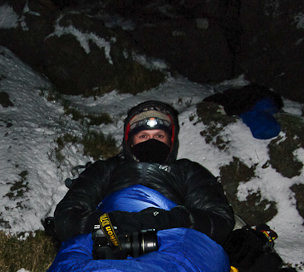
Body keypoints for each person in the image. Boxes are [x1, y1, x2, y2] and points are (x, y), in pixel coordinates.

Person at [54, 100, 235, 248]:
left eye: (159, 136)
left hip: (171, 244)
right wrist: (114, 222)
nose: (151, 141)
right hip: (109, 242)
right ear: (130, 141)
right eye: (143, 136)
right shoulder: (105, 169)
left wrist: (170, 220)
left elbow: (220, 219)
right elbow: (66, 217)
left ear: (170, 141)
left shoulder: (188, 171)